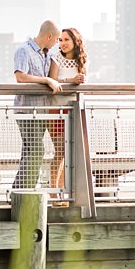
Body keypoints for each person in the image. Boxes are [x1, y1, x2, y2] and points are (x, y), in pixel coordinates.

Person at [12, 21, 61, 190]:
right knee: (36, 150)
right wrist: (47, 80)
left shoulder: (46, 54)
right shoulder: (24, 51)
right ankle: (24, 192)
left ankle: (20, 192)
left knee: (30, 151)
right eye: (56, 39)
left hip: (41, 111)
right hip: (27, 110)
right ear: (49, 36)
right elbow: (20, 77)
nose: (57, 43)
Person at [46, 28, 88, 189]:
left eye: (66, 40)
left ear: (75, 41)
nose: (62, 43)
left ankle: (65, 190)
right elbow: (53, 80)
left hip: (74, 110)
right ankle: (54, 190)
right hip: (57, 110)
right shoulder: (56, 58)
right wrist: (72, 79)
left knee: (71, 153)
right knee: (61, 151)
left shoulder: (82, 60)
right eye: (60, 40)